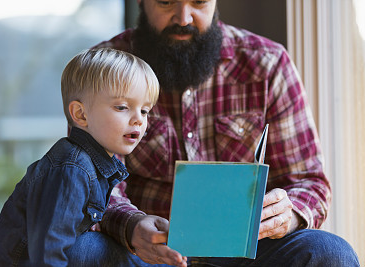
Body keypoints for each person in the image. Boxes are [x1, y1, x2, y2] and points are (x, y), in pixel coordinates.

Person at [69, 1, 360, 267]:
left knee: (330, 252)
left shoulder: (269, 64)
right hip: (144, 253)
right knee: (83, 251)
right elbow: (88, 181)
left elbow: (309, 180)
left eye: (199, 2)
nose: (183, 18)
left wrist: (289, 213)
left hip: (250, 253)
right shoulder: (102, 72)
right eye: (166, 2)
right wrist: (131, 225)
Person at [0, 48, 160, 266]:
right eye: (122, 107)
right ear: (81, 114)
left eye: (145, 111)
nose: (138, 119)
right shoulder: (72, 168)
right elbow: (48, 251)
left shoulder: (93, 162)